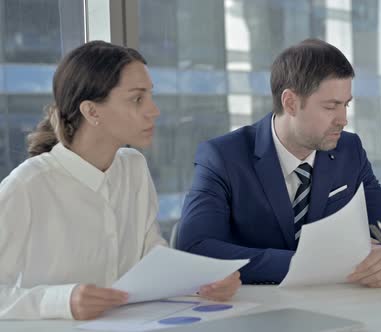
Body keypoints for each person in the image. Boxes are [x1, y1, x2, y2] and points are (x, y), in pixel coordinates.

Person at [0, 41, 240, 321]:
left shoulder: (133, 167)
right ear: (91, 111)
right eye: (137, 99)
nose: (154, 110)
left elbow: (150, 257)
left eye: (151, 96)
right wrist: (60, 301)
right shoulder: (28, 186)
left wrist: (202, 282)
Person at [178, 38, 381, 286]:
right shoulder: (223, 156)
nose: (343, 119)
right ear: (290, 102)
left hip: (339, 305)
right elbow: (195, 248)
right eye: (330, 106)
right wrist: (308, 265)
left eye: (345, 105)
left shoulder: (350, 150)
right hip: (256, 308)